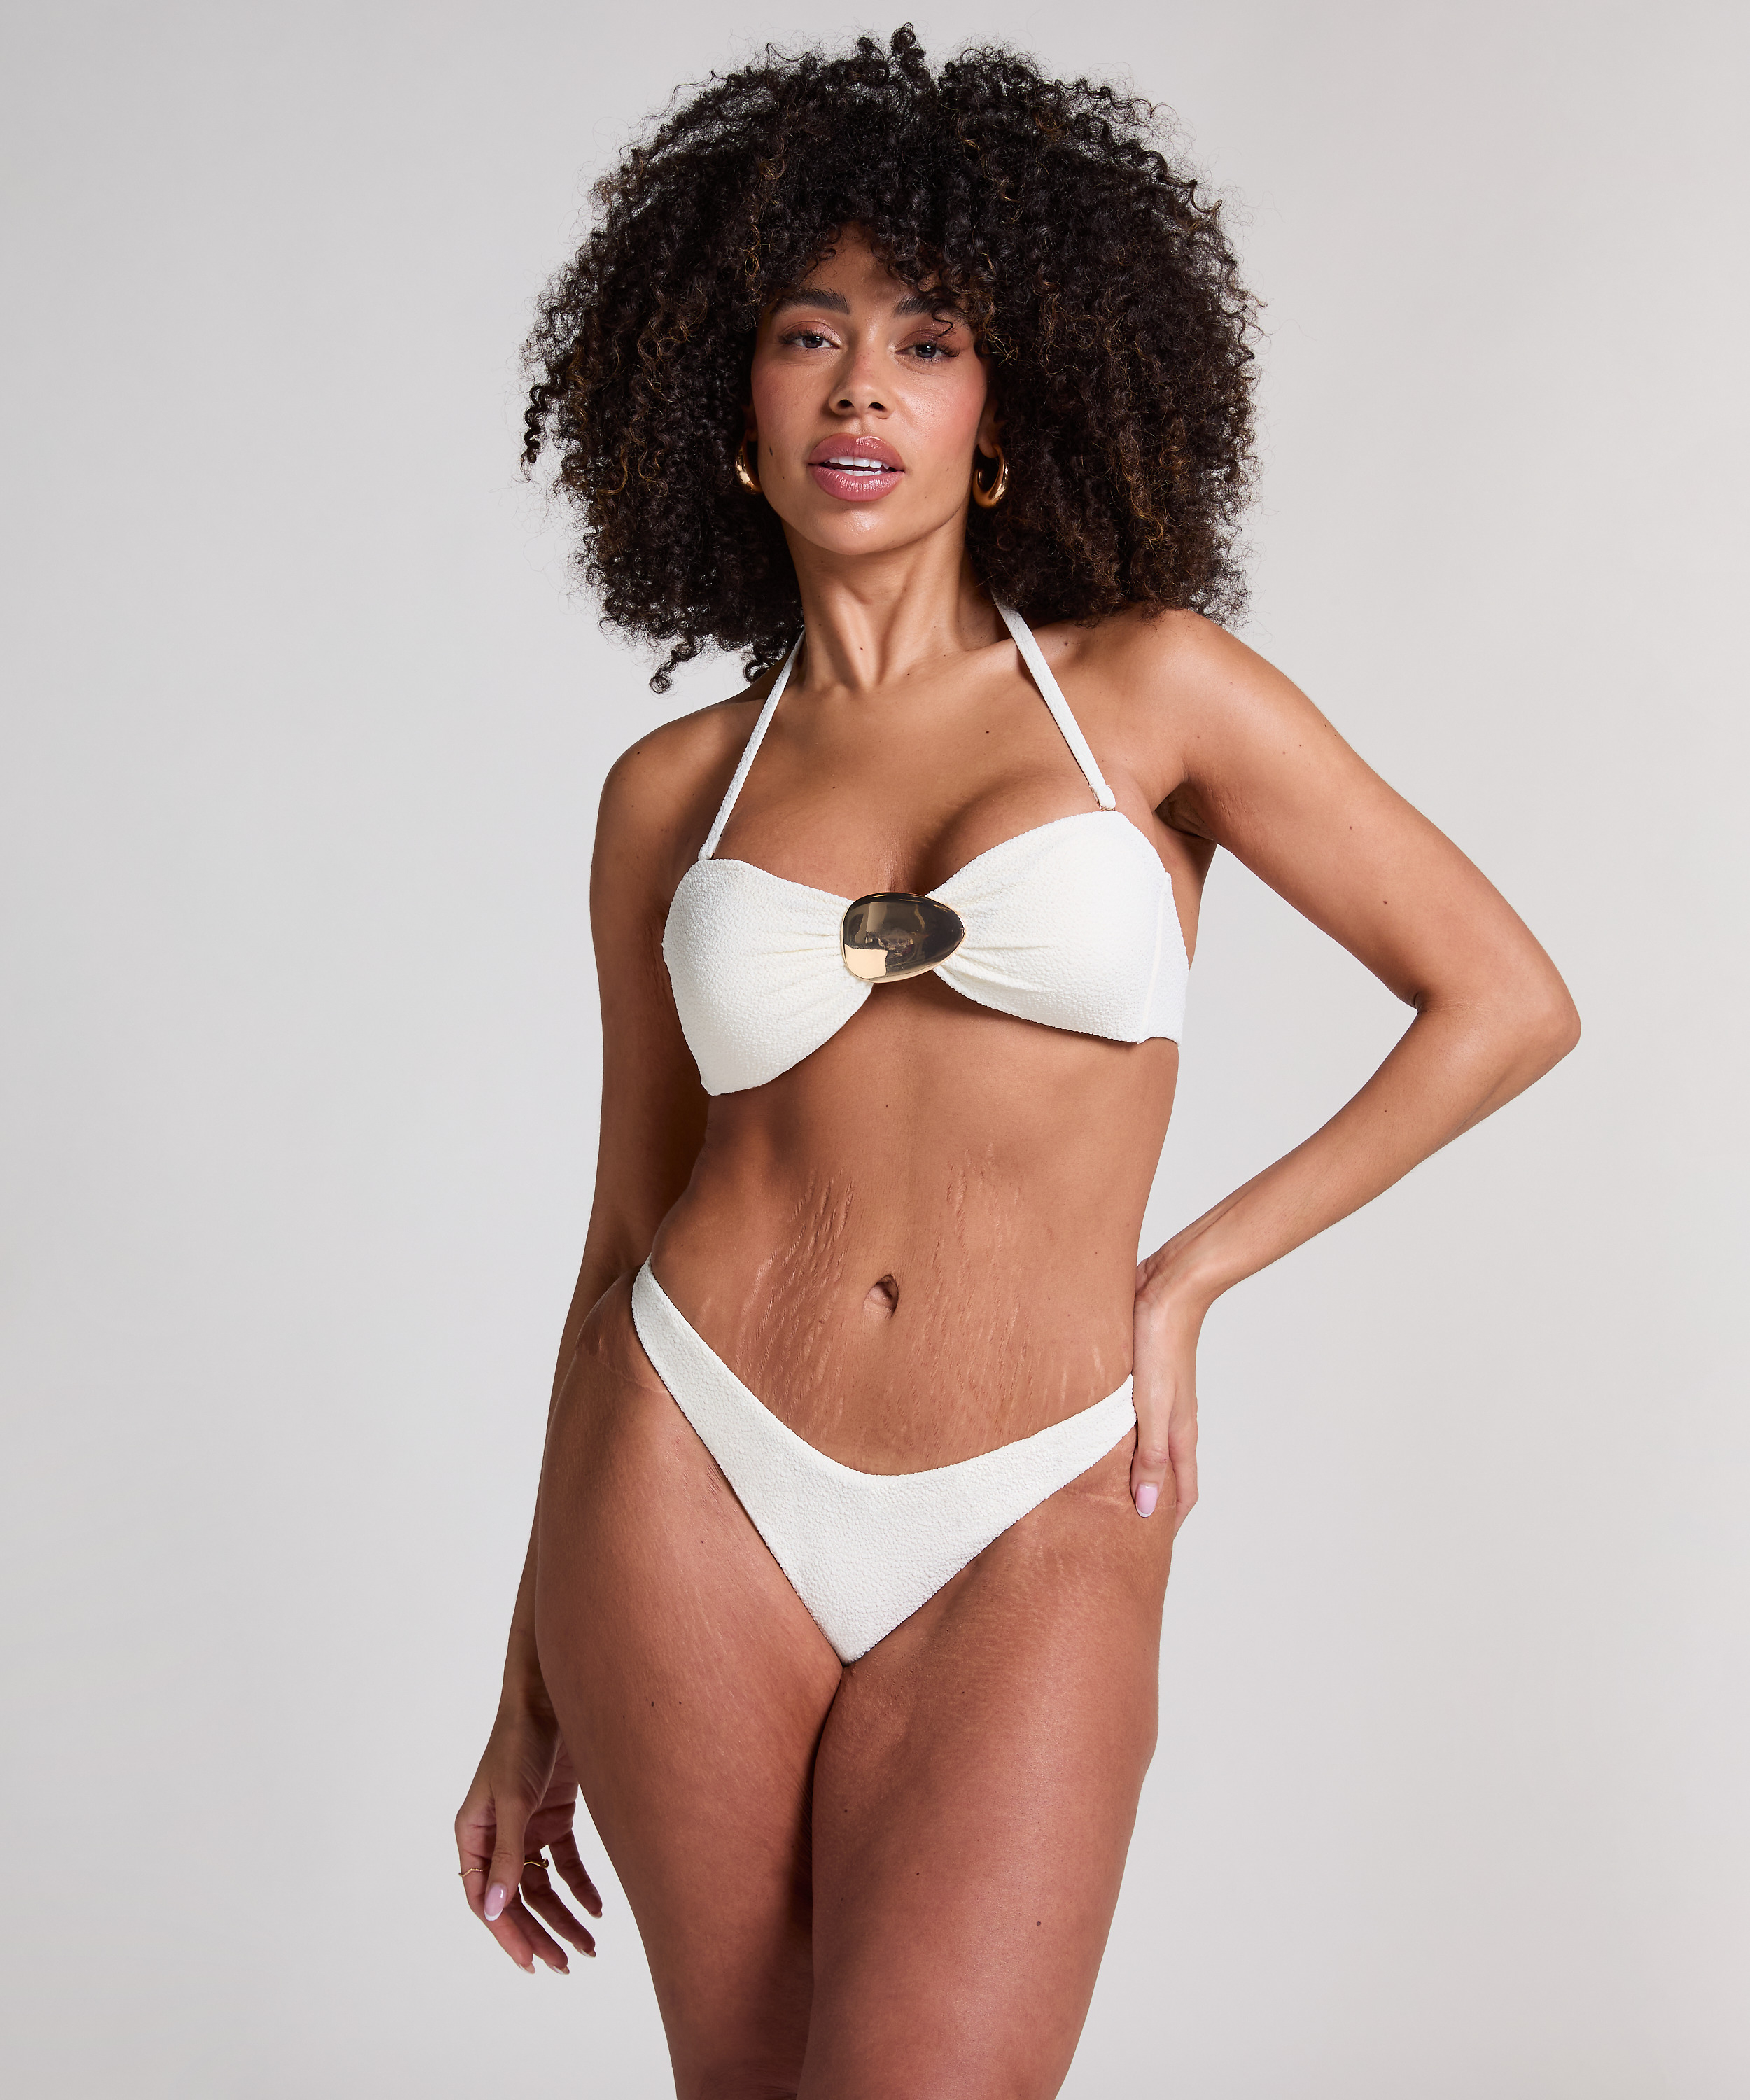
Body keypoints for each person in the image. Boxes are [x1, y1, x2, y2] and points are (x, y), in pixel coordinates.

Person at [454, 28, 1578, 2097]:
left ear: (1001, 416)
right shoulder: (670, 794)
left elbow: (1504, 1000)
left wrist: (1189, 1278)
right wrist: (524, 1685)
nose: (860, 388)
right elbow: (617, 1230)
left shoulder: (1156, 694)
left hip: (1038, 1490)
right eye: (807, 336)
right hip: (685, 1472)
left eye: (927, 340)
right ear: (731, 406)